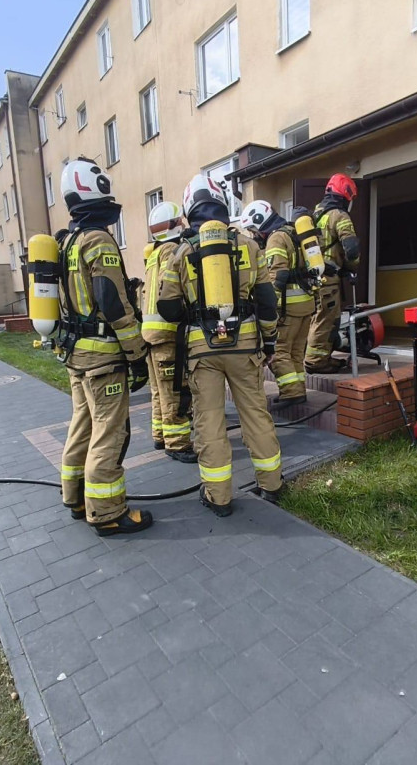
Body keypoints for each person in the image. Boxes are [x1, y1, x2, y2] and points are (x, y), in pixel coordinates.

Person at [157, 175, 284, 517]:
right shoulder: (249, 245)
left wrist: (193, 311)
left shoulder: (182, 251)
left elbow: (166, 307)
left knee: (209, 421)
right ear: (224, 205)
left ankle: (219, 497)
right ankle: (271, 485)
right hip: (245, 346)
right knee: (255, 414)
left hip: (203, 351)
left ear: (188, 209)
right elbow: (267, 301)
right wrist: (269, 339)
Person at [56, 157, 152, 536]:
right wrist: (137, 355)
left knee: (82, 425)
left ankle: (76, 498)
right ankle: (108, 512)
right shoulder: (97, 239)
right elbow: (112, 302)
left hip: (76, 356)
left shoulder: (67, 242)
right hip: (103, 359)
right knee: (110, 433)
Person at [241, 200, 315, 407]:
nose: (254, 234)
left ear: (260, 220)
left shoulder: (276, 238)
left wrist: (270, 305)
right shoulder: (293, 232)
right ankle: (298, 390)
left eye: (253, 229)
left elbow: (278, 275)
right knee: (296, 352)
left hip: (288, 307)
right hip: (306, 303)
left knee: (280, 351)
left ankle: (291, 393)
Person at [141, 201, 196, 462]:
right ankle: (177, 444)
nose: (184, 224)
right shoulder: (175, 250)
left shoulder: (154, 253)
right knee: (176, 390)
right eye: (180, 221)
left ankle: (160, 434)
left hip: (151, 335)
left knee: (158, 390)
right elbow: (176, 292)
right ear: (173, 226)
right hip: (167, 334)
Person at [305, 173, 360, 374]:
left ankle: (321, 357)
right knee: (326, 319)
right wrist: (350, 268)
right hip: (328, 279)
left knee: (316, 318)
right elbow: (352, 248)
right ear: (346, 195)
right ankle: (315, 361)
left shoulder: (314, 215)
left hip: (312, 277)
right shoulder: (339, 215)